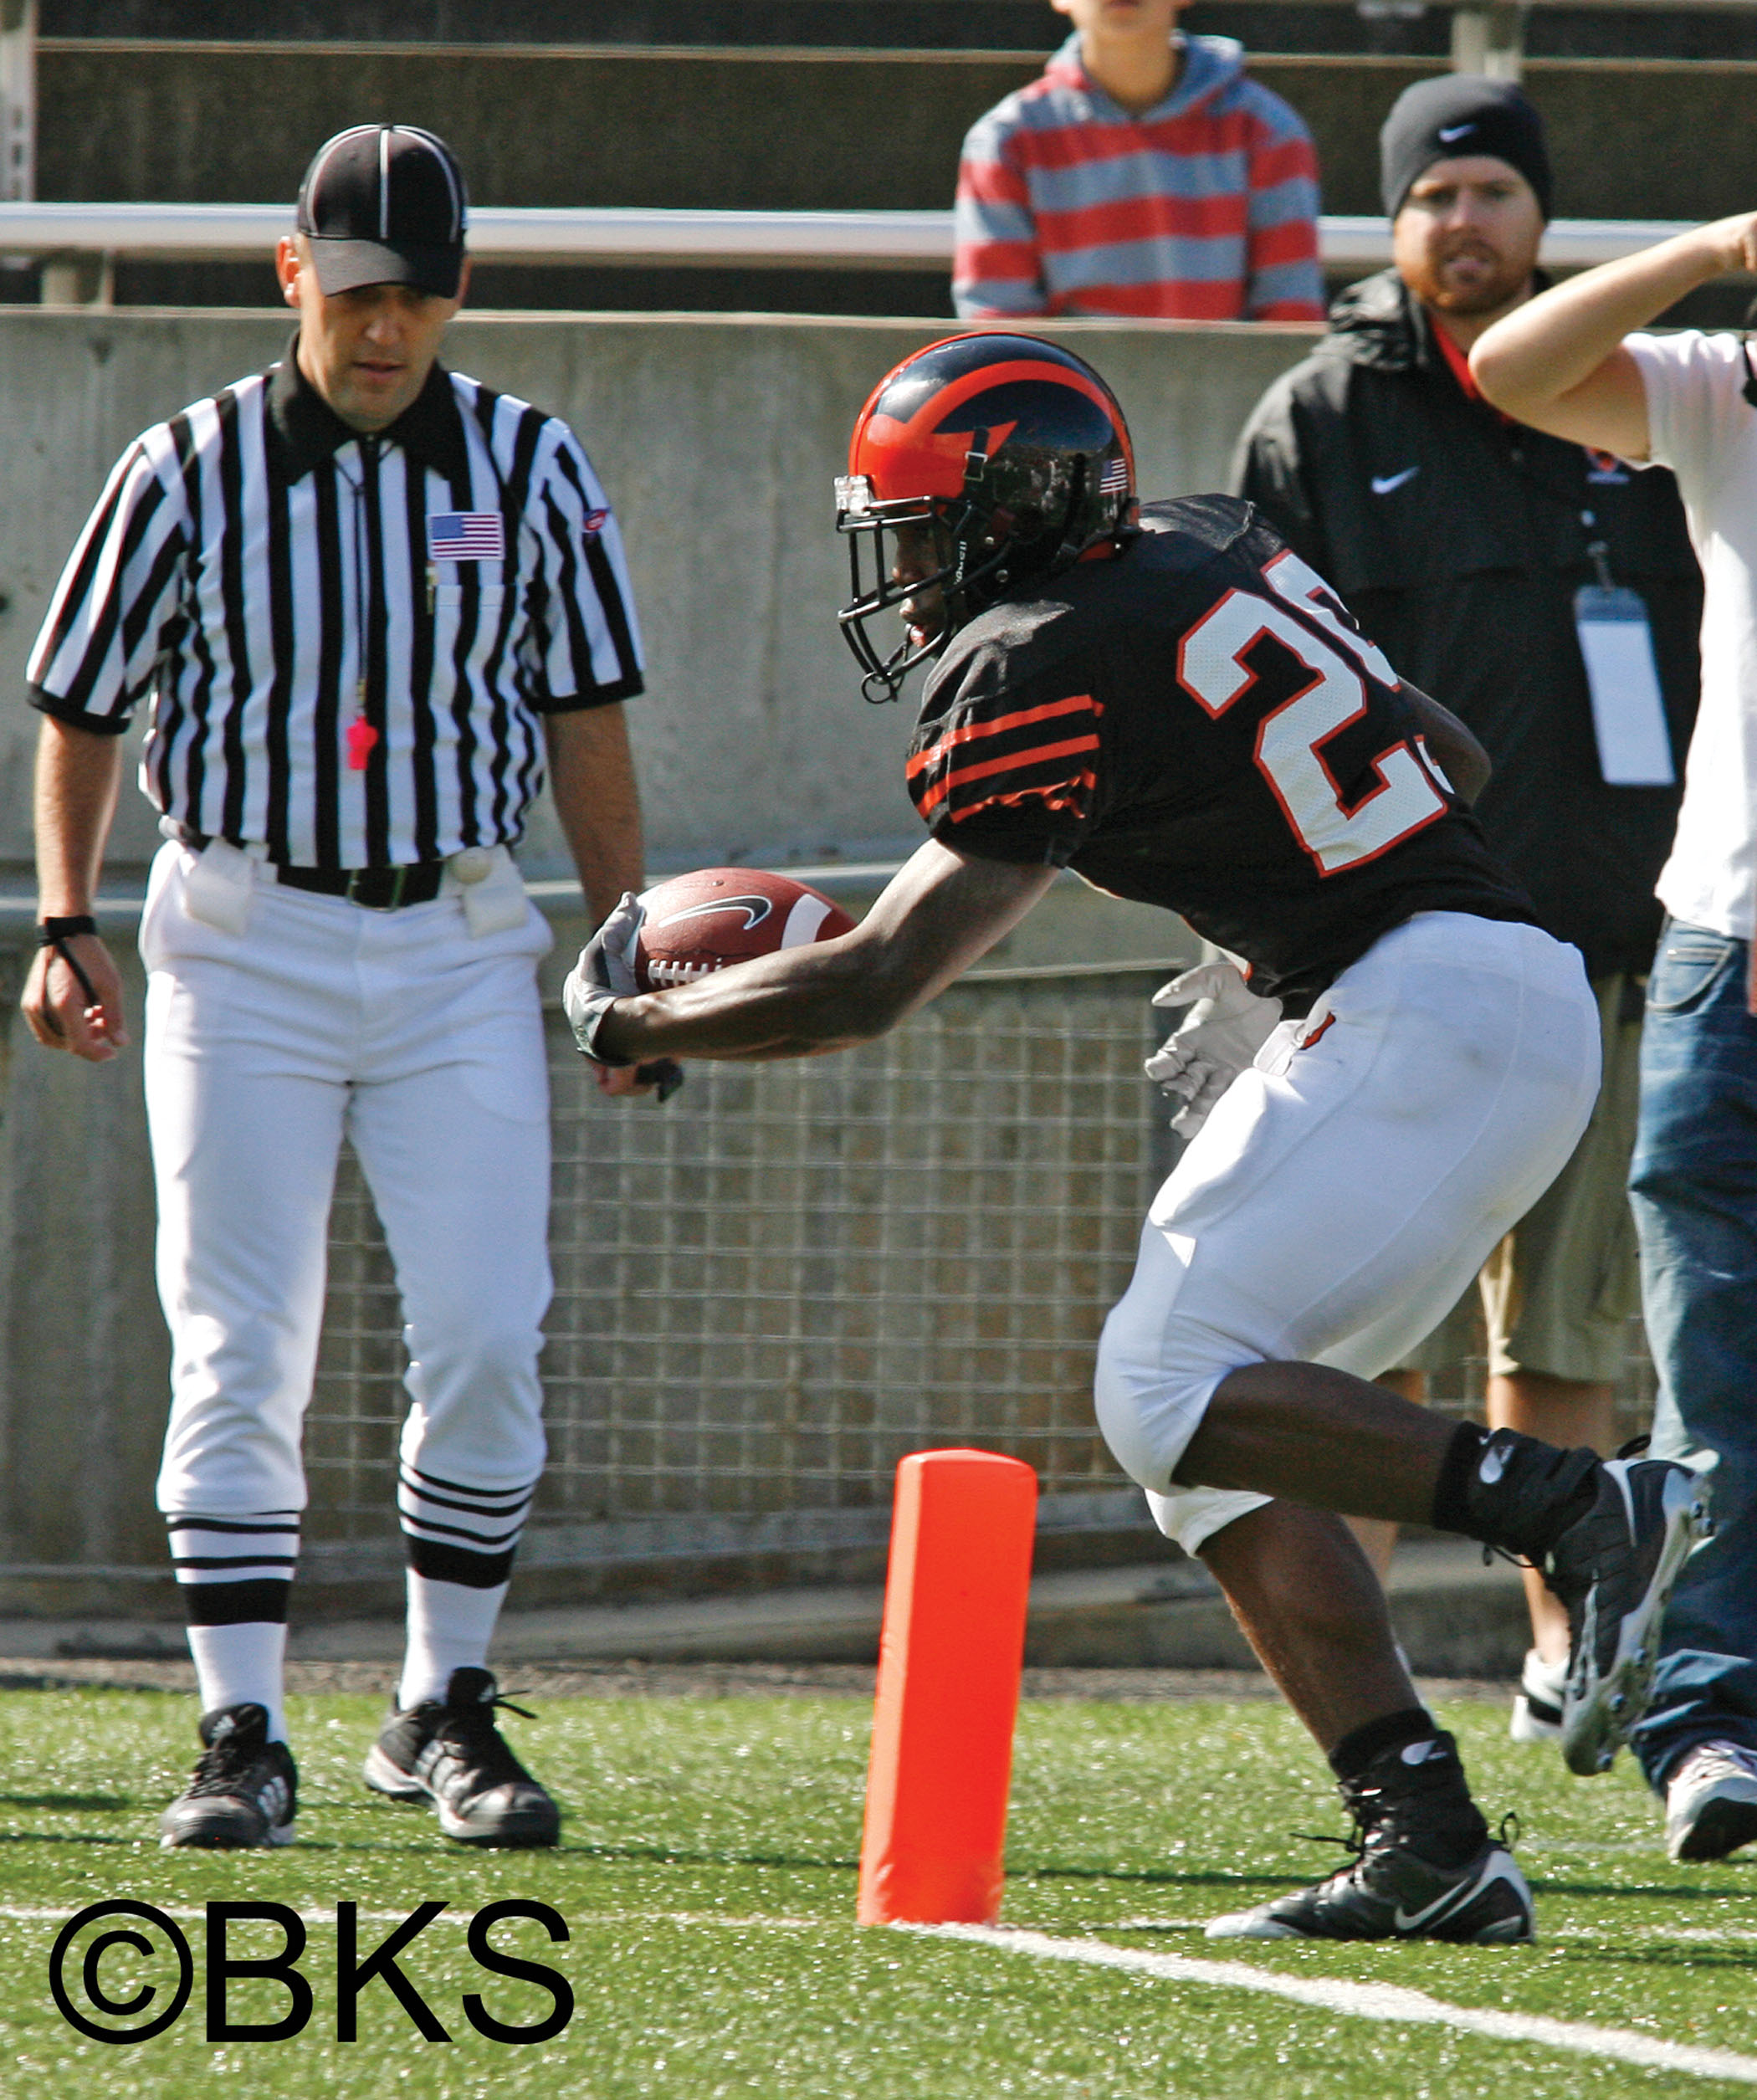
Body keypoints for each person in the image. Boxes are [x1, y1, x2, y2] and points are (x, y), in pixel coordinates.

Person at [562, 330, 1710, 1941]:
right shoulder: (1200, 542)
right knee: (1200, 1440)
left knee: (1164, 1383)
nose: (903, 574)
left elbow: (878, 979)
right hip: (1481, 1001)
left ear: (1009, 512)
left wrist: (641, 1020)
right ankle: (1427, 1840)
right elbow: (1449, 755)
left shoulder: (1041, 651)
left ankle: (1581, 1509)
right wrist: (1271, 925)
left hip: (1428, 1011)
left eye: (919, 527)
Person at [23, 124, 652, 1852]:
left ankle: (442, 1700)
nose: (387, 328)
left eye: (420, 297)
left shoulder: (527, 462)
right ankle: (239, 1725)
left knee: (483, 1327)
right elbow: (78, 702)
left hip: (455, 942)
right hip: (242, 938)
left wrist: (627, 944)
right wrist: (66, 916)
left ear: (459, 297)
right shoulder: (185, 465)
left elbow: (585, 713)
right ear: (291, 272)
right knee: (239, 1343)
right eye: (360, 289)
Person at [1233, 75, 1702, 1744]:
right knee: (1370, 1343)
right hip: (1390, 957)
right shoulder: (1320, 420)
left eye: (1494, 192)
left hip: (1607, 944)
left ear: (1546, 218)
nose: (1464, 223)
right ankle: (1360, 1689)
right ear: (1389, 224)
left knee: (1561, 1334)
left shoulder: (1637, 404)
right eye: (1432, 199)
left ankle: (1558, 1659)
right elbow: (1245, 688)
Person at [1473, 213, 1757, 1863]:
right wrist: (1716, 244)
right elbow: (1511, 366)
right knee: (1713, 1372)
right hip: (1730, 950)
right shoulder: (1731, 390)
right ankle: (1710, 1718)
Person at [953, 0, 1323, 323]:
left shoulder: (1266, 130)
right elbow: (998, 322)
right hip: (1063, 397)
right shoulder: (1005, 141)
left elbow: (1289, 315)